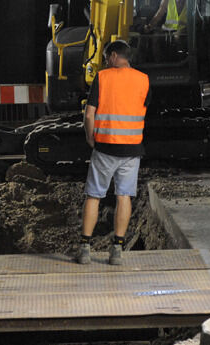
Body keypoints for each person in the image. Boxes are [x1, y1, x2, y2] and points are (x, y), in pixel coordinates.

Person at [75, 40, 150, 266]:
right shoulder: (143, 80)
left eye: (108, 57)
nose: (107, 61)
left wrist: (90, 137)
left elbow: (89, 115)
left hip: (106, 146)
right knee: (124, 196)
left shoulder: (103, 77)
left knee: (94, 195)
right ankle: (117, 249)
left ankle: (85, 249)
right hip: (132, 148)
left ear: (115, 56)